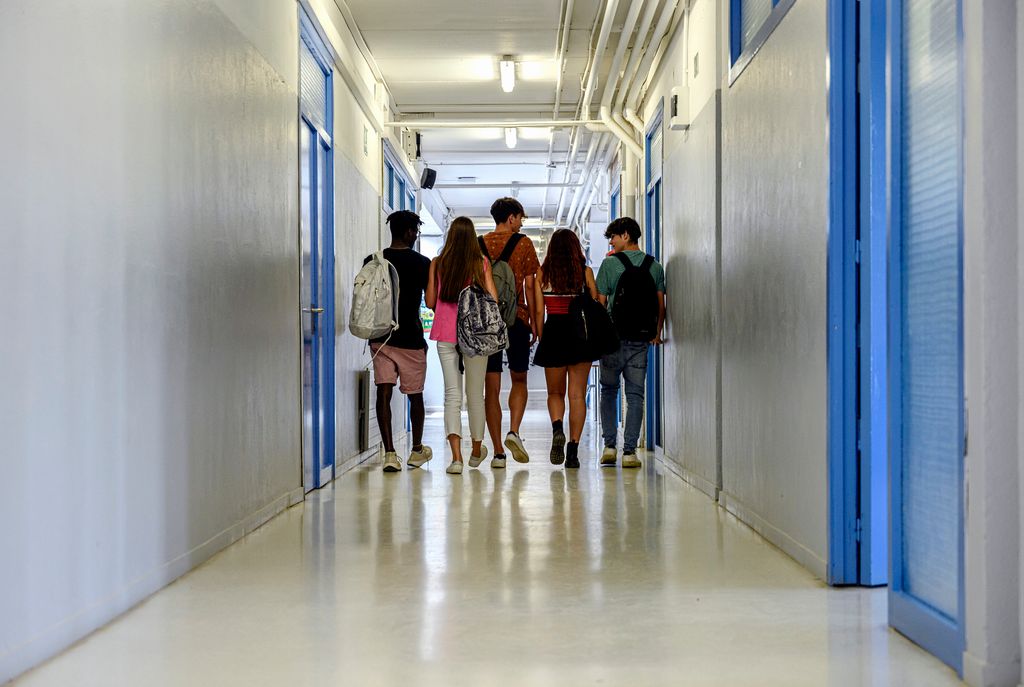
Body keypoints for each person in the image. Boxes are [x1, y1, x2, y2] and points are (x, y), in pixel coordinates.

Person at [425, 217, 498, 474]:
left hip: (446, 333)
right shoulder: (481, 263)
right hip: (476, 336)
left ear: (451, 237)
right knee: (475, 395)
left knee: (452, 395)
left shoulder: (438, 263)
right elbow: (492, 300)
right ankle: (477, 451)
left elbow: (431, 301)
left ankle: (456, 459)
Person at [595, 217, 666, 469]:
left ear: (626, 235)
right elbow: (660, 305)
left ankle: (609, 446)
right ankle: (629, 452)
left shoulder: (609, 265)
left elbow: (600, 304)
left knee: (609, 392)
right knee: (635, 395)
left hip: (613, 339)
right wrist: (656, 332)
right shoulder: (654, 266)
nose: (611, 242)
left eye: (613, 236)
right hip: (640, 341)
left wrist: (598, 338)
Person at [365, 210, 432, 473]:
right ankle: (416, 450)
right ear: (408, 232)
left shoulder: (373, 261)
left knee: (384, 390)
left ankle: (390, 454)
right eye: (415, 230)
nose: (415, 235)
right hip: (411, 337)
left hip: (380, 337)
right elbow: (431, 300)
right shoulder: (422, 263)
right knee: (415, 395)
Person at [532, 229, 600, 469]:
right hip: (580, 336)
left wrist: (539, 336)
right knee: (577, 395)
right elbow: (595, 303)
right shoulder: (585, 272)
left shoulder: (543, 273)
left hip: (554, 332)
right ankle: (572, 450)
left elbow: (540, 311)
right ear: (575, 249)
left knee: (555, 393)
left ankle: (557, 427)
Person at [480, 197, 540, 468]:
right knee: (519, 379)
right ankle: (513, 431)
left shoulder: (478, 244)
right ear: (512, 217)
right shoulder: (524, 244)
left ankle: (497, 453)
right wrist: (537, 322)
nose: (520, 224)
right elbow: (530, 286)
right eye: (520, 218)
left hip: (487, 322)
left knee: (490, 387)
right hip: (517, 319)